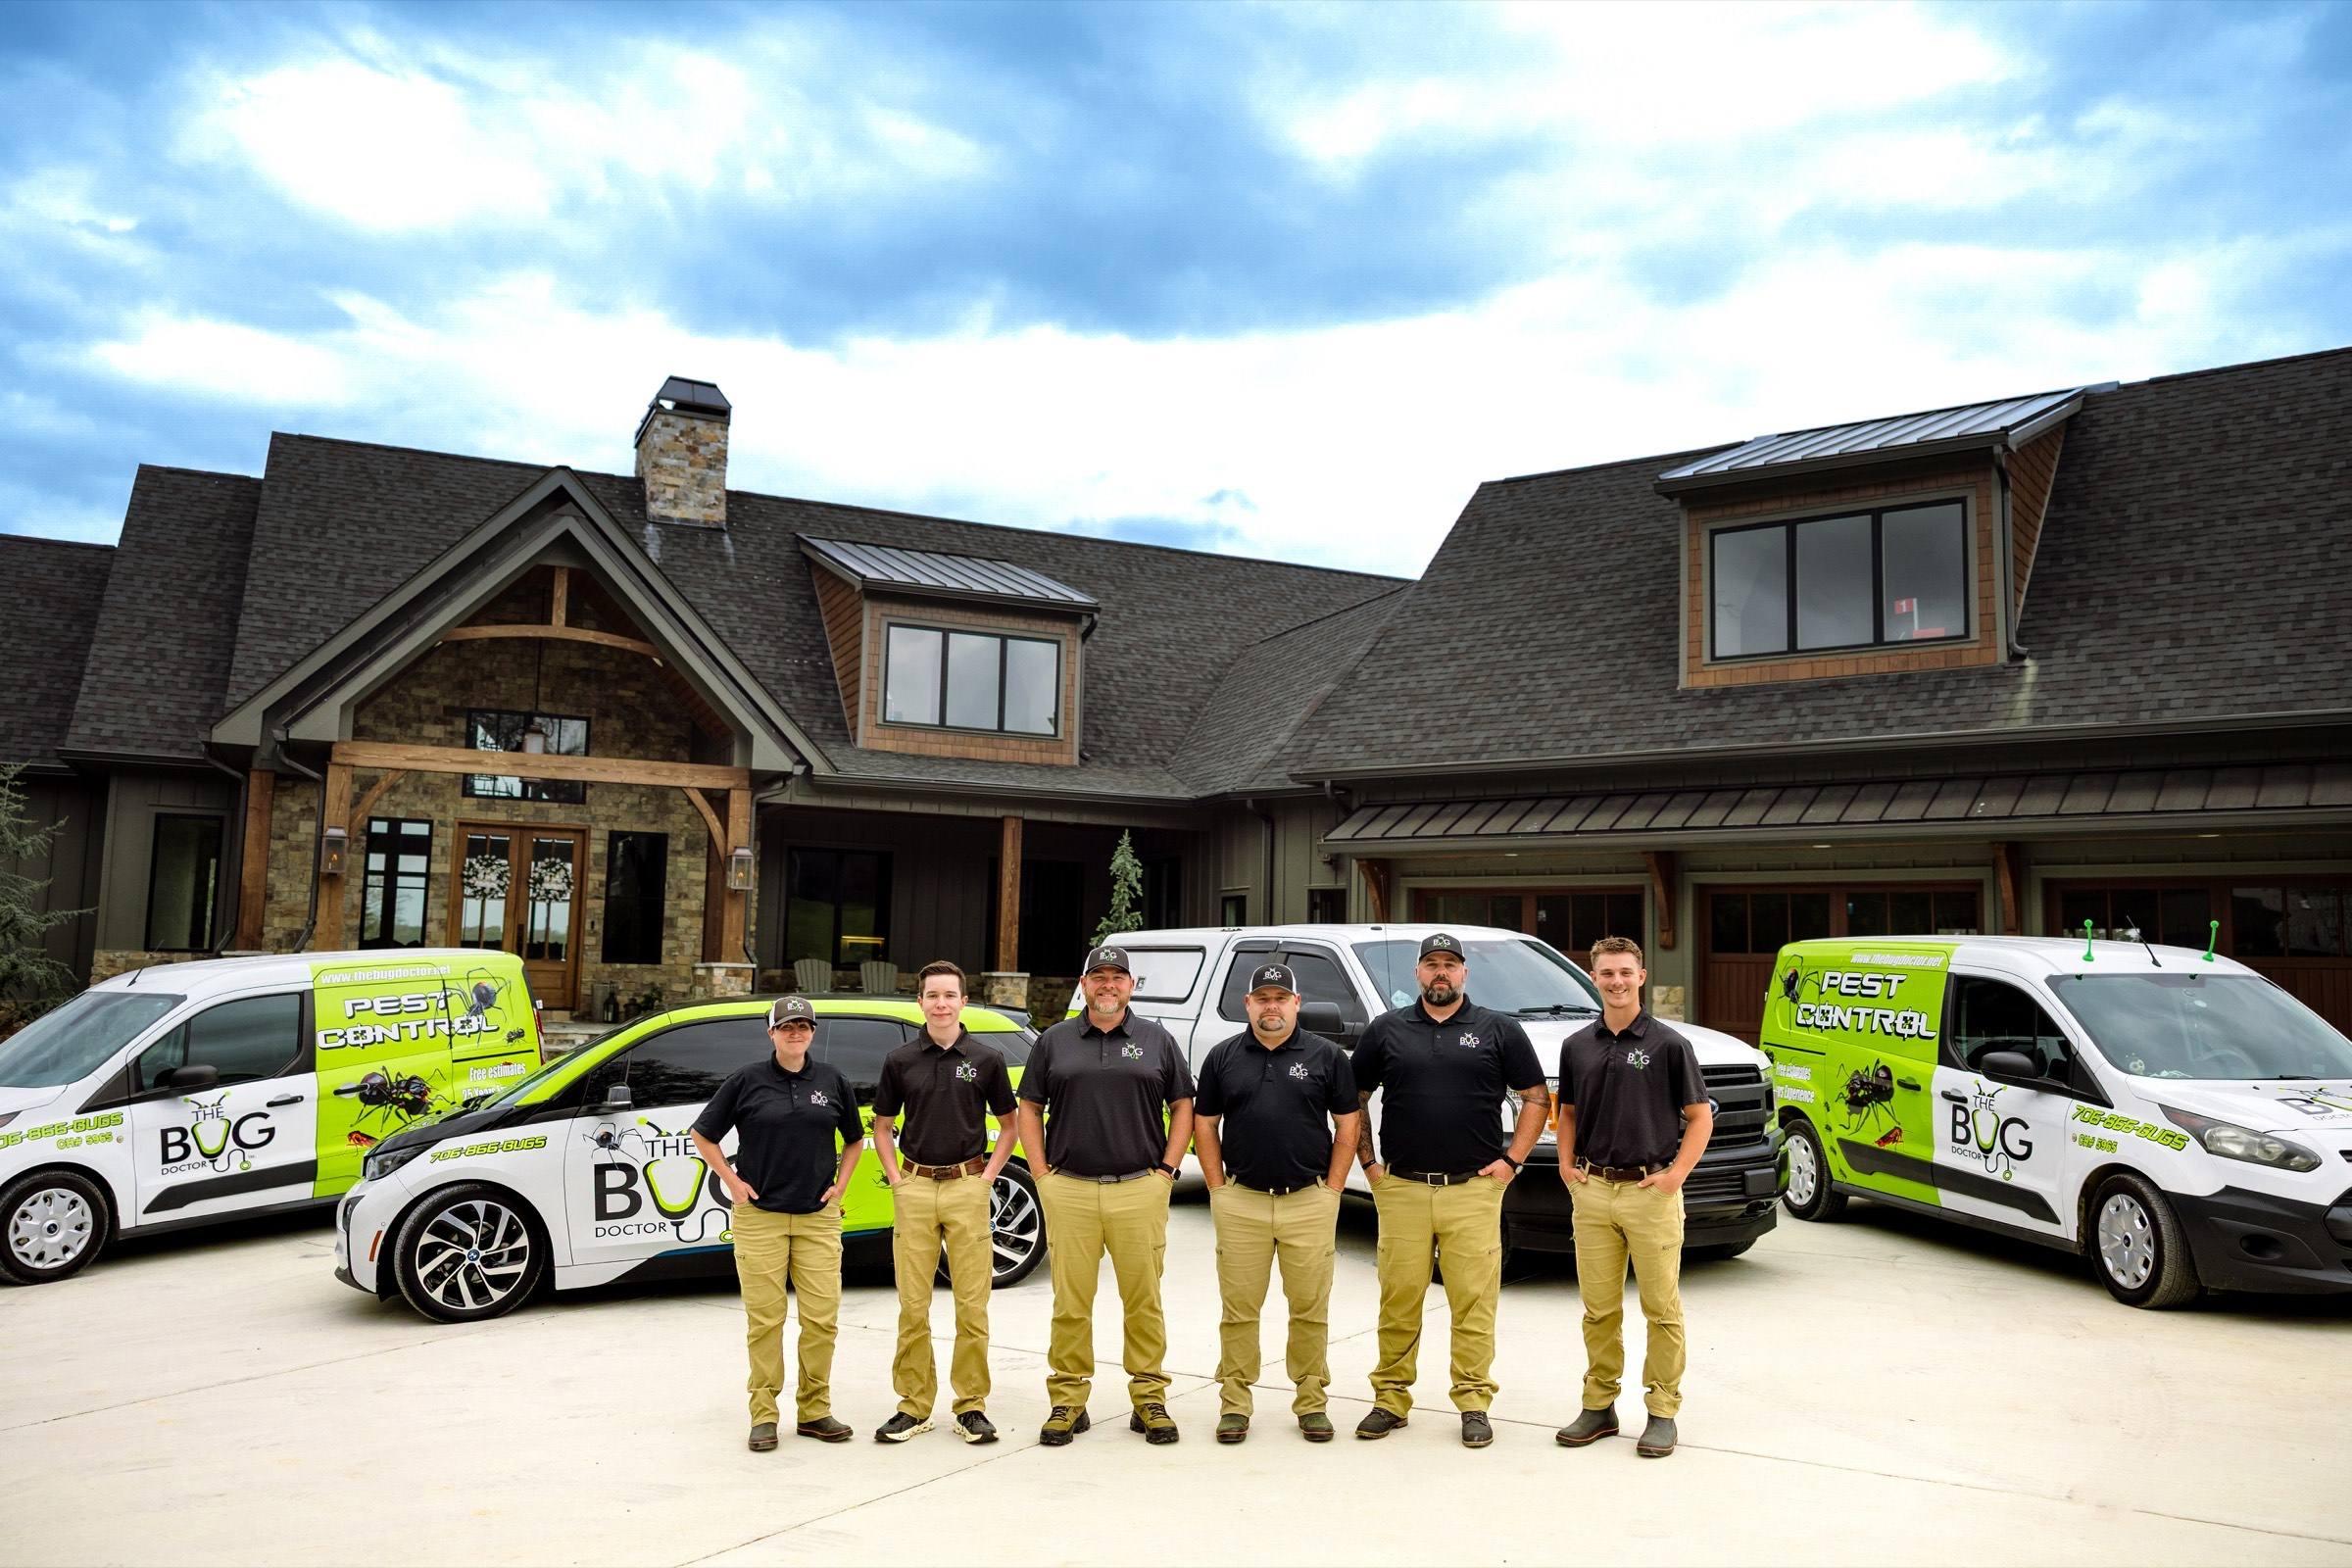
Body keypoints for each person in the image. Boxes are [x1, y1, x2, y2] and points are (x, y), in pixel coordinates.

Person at [1349, 931, 1549, 1447]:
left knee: (1474, 1302)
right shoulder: (1386, 1030)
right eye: (1431, 964)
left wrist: (1512, 1162)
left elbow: (1536, 1097)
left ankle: (1474, 1402)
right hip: (1403, 1190)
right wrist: (1369, 1165)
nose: (1441, 973)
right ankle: (1390, 1399)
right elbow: (1352, 1100)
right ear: (1417, 973)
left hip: (1473, 1191)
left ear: (1465, 973)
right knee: (1399, 1300)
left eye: (1450, 965)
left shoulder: (1498, 1030)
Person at [1015, 944, 1196, 1446]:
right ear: (1084, 983)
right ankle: (1068, 1401)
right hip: (1069, 1188)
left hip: (1140, 1187)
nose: (1108, 985)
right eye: (1099, 977)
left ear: (1131, 986)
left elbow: (1183, 1104)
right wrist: (1041, 1173)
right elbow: (1029, 1107)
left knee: (1144, 1300)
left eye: (1118, 977)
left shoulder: (1157, 1039)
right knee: (1071, 1302)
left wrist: (1167, 1170)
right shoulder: (1054, 1040)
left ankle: (1150, 1398)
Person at [1553, 936, 1712, 1459]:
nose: (1616, 982)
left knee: (1660, 1308)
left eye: (1625, 972)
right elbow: (1568, 1111)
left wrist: (1674, 1177)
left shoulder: (1670, 1045)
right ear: (1593, 978)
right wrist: (1566, 1163)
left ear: (1641, 977)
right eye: (1606, 974)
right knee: (1598, 1310)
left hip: (1650, 1193)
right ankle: (1598, 1406)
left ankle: (1662, 1411)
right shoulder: (1578, 1044)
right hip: (1593, 1192)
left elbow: (1699, 1117)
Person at [1193, 961, 1361, 1445]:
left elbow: (1348, 1123)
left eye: (1280, 998)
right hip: (1241, 1199)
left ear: (1296, 1003)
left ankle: (1311, 1402)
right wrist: (1216, 1186)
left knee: (1309, 1307)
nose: (1272, 1006)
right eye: (1262, 998)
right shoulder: (1224, 1057)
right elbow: (1205, 1123)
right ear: (1248, 1005)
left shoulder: (1328, 1056)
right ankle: (1234, 1404)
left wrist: (1332, 1188)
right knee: (1239, 1309)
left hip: (1308, 1199)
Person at [689, 995, 866, 1451]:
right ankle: (764, 1414)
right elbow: (703, 1134)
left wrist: (840, 1188)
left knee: (822, 1320)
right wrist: (731, 1180)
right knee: (765, 1321)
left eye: (803, 1026)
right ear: (771, 1033)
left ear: (813, 1032)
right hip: (760, 1218)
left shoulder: (831, 1080)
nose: (795, 1033)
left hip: (817, 1218)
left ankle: (815, 1410)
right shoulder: (746, 1080)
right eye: (786, 1026)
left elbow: (853, 1140)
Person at [868, 960, 1021, 1446]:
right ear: (920, 1002)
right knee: (913, 1305)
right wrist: (896, 1178)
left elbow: (1010, 1125)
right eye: (932, 995)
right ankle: (913, 1405)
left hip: (967, 1187)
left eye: (949, 995)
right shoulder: (899, 1061)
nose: (941, 1004)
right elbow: (883, 1125)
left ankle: (971, 1405)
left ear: (963, 1001)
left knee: (971, 1305)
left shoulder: (987, 1058)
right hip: (915, 1187)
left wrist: (987, 1179)